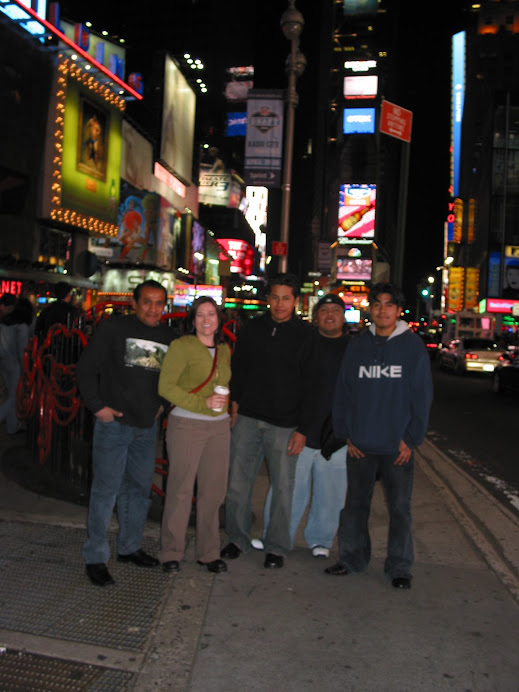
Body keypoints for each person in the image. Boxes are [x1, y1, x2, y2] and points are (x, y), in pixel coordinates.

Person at [326, 282, 433, 589]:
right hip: (360, 444)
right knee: (355, 505)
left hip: (397, 447)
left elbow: (422, 397)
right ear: (369, 308)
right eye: (377, 304)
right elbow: (343, 391)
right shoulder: (358, 344)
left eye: (389, 305)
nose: (382, 310)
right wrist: (346, 433)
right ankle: (352, 559)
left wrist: (411, 439)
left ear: (398, 311)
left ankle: (399, 567)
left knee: (399, 509)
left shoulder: (412, 347)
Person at [76, 280, 174, 587]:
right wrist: (97, 407)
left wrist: (163, 405)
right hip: (113, 425)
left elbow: (174, 378)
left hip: (146, 427)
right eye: (147, 302)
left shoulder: (168, 336)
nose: (153, 309)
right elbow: (85, 369)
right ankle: (95, 557)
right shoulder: (113, 328)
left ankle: (129, 547)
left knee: (139, 490)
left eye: (159, 303)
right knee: (105, 491)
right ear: (134, 303)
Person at [221, 273, 316, 569]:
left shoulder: (306, 335)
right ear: (268, 299)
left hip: (285, 424)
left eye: (286, 298)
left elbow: (311, 385)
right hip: (248, 417)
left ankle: (276, 546)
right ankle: (237, 538)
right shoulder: (253, 328)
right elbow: (239, 367)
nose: (280, 304)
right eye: (275, 297)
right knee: (237, 483)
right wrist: (235, 405)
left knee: (283, 488)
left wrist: (303, 429)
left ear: (296, 301)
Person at [257, 294, 349, 558]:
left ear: (343, 316)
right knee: (287, 489)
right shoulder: (304, 344)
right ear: (316, 315)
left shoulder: (354, 348)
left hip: (337, 435)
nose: (329, 315)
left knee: (330, 494)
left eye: (335, 310)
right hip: (300, 432)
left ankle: (320, 539)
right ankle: (275, 535)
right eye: (324, 310)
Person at [158, 297, 232, 574]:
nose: (206, 320)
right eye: (200, 315)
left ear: (218, 318)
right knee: (180, 489)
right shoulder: (182, 346)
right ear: (192, 320)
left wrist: (224, 408)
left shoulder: (224, 350)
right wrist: (203, 403)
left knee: (213, 492)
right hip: (187, 425)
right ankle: (171, 552)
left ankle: (209, 552)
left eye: (211, 314)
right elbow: (166, 387)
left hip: (219, 427)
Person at [0, 298, 34, 434]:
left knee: (11, 395)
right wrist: (26, 367)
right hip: (15, 363)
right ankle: (11, 426)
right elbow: (22, 351)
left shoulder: (4, 322)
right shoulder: (22, 327)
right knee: (14, 396)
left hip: (3, 361)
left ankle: (12, 427)